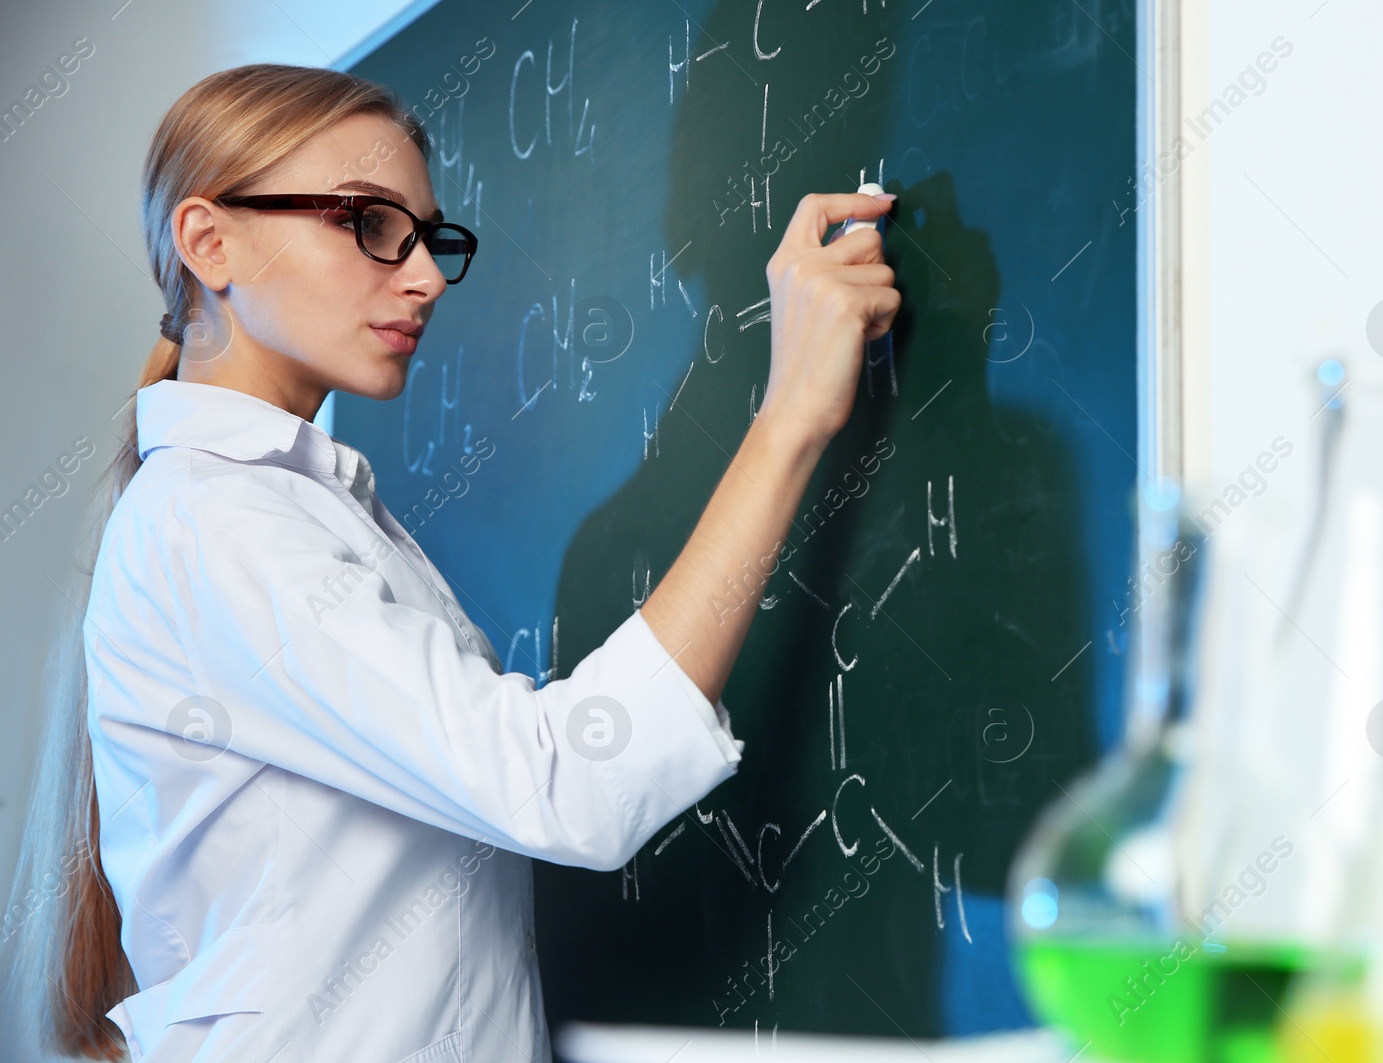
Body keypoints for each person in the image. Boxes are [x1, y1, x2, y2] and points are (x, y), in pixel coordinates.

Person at [4, 63, 897, 1062]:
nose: (425, 275)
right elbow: (569, 784)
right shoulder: (214, 522)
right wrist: (787, 423)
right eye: (370, 225)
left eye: (432, 237)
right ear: (211, 243)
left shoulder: (301, 507)